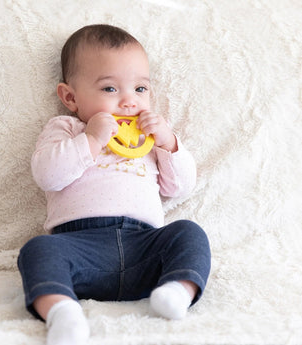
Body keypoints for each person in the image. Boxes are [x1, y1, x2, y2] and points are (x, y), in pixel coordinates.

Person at [18, 24, 211, 345]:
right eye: (110, 89)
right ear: (70, 97)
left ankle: (177, 291)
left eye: (140, 89)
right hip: (79, 248)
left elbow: (178, 188)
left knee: (189, 233)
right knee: (37, 250)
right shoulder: (67, 128)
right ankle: (62, 311)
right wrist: (91, 139)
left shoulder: (149, 138)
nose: (129, 102)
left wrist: (169, 143)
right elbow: (48, 175)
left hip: (143, 248)